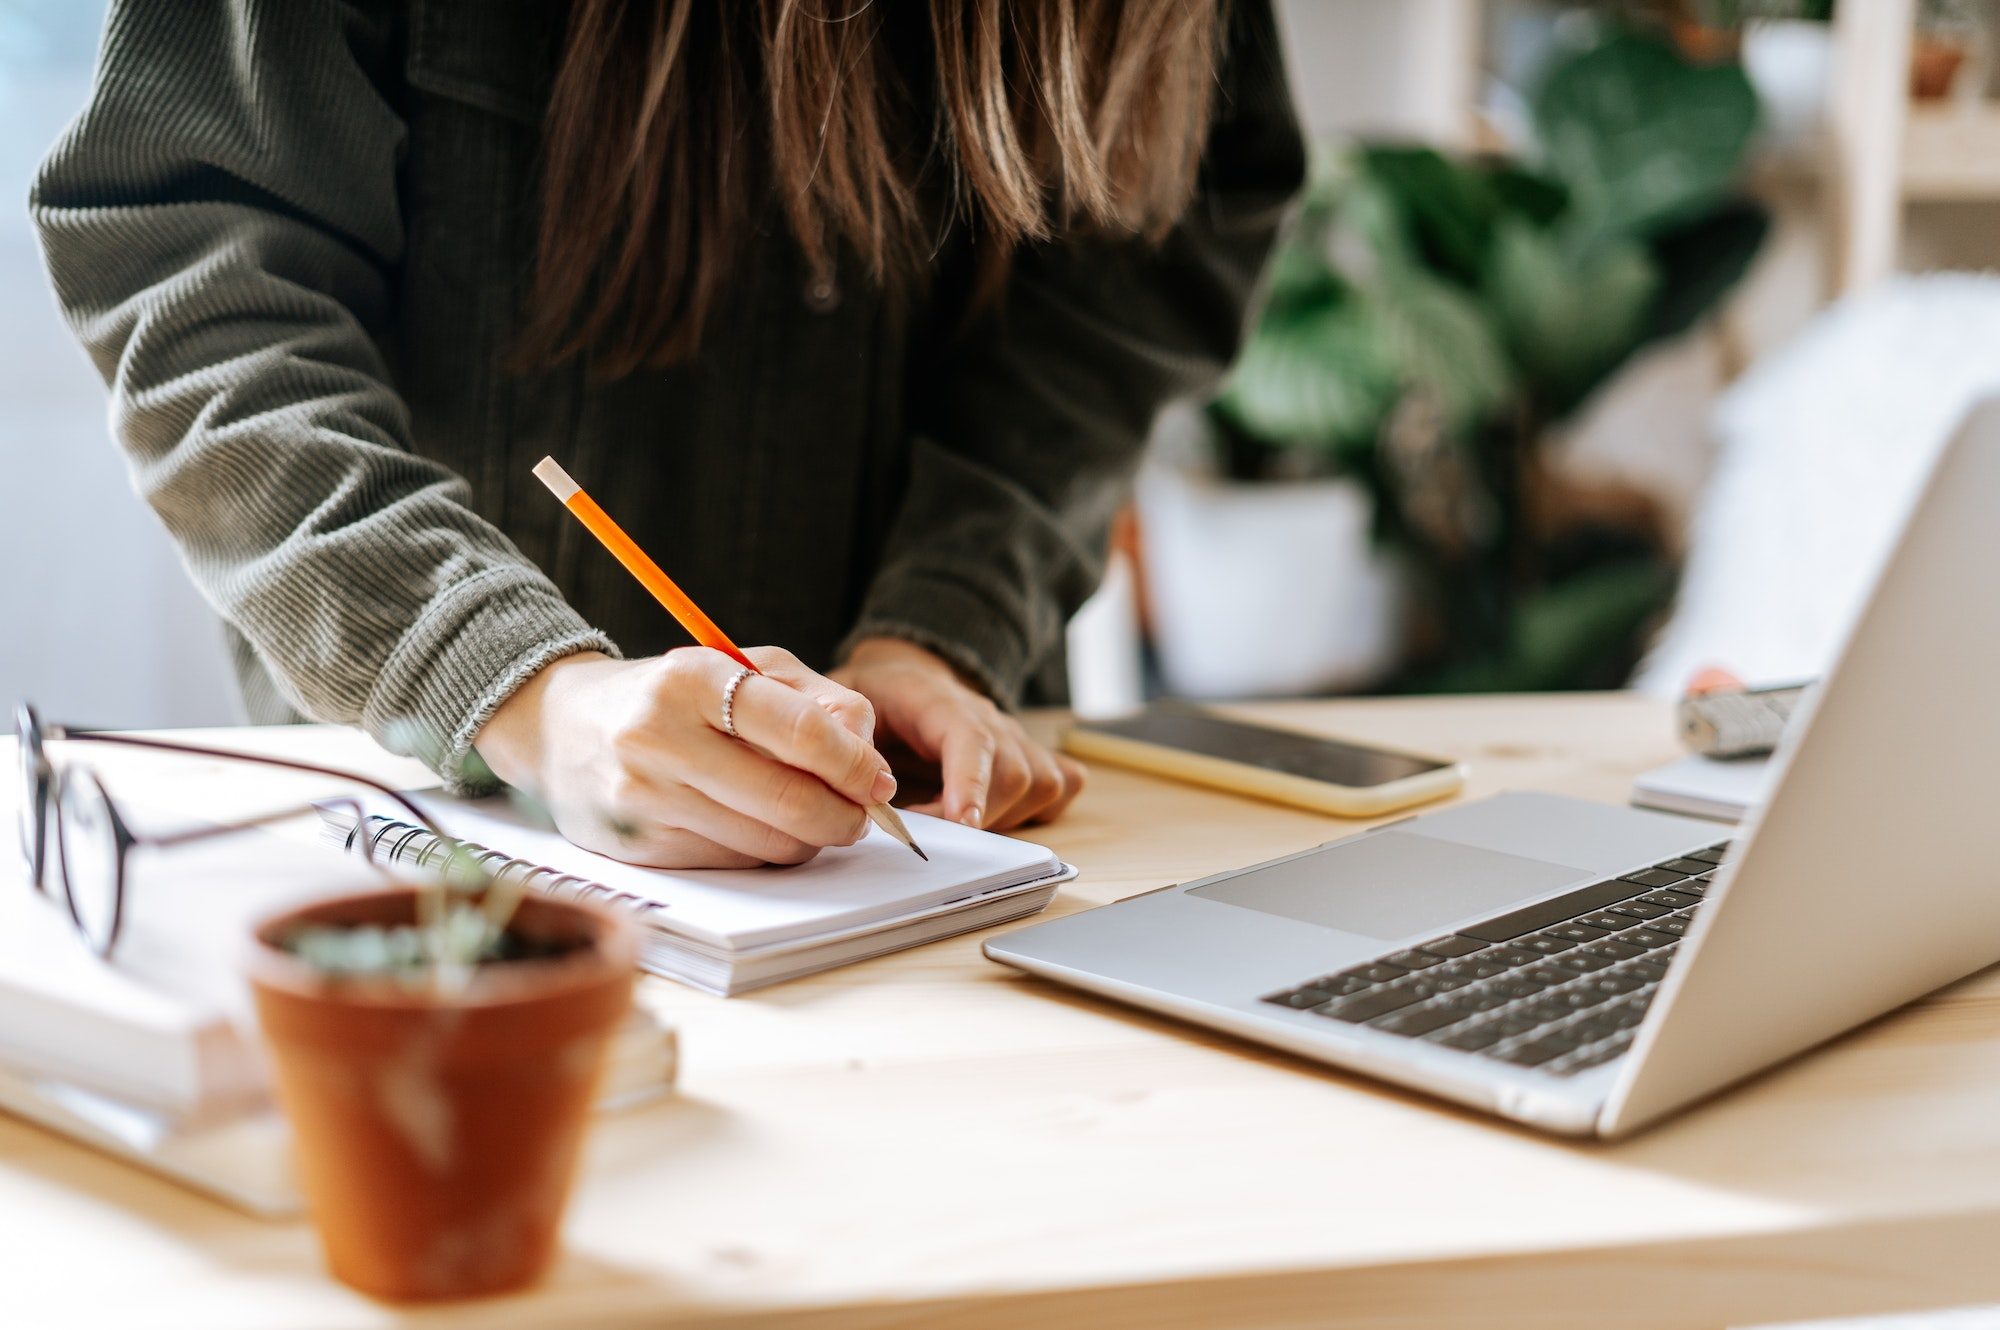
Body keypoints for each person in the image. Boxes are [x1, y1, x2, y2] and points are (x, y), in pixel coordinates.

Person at [33, 0, 1303, 868]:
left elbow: (1143, 264)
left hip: (923, 833)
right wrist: (521, 687)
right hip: (439, 819)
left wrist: (948, 618)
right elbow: (195, 274)